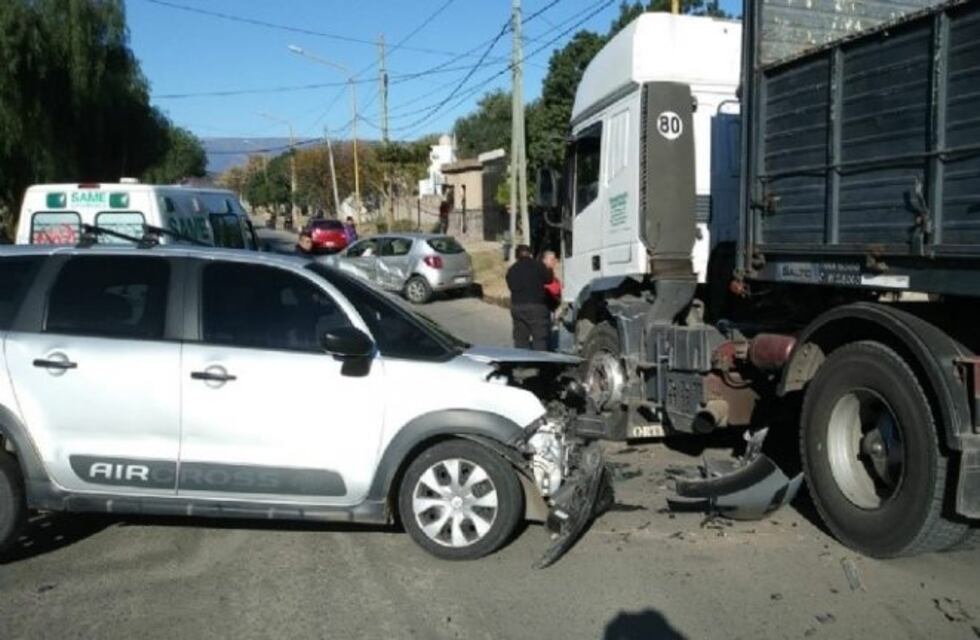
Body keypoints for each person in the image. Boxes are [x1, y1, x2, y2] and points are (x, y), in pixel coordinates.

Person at [506, 244, 554, 351]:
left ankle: (523, 360)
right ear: (530, 254)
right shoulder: (539, 266)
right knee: (539, 339)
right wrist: (549, 268)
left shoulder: (511, 270)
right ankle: (540, 360)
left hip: (517, 307)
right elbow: (549, 280)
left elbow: (511, 286)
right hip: (537, 306)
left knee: (521, 340)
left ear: (516, 256)